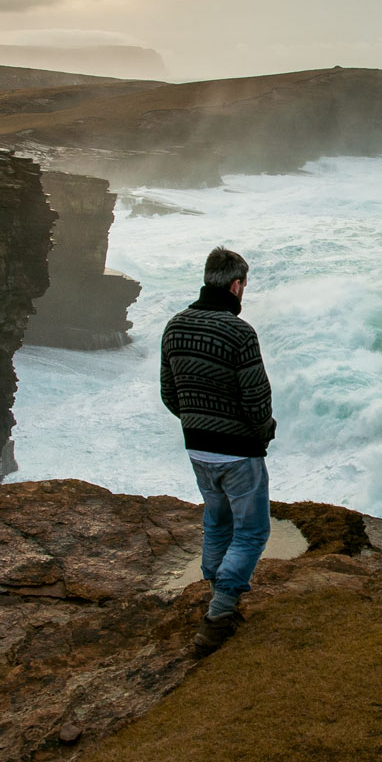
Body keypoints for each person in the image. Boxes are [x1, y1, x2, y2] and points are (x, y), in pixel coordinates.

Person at [160, 246, 276, 655]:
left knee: (218, 521)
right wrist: (263, 433)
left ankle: (216, 594)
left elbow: (169, 393)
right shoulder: (238, 332)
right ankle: (220, 614)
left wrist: (198, 422)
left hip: (199, 450)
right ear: (236, 285)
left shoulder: (176, 326)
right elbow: (257, 400)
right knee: (252, 531)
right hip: (239, 453)